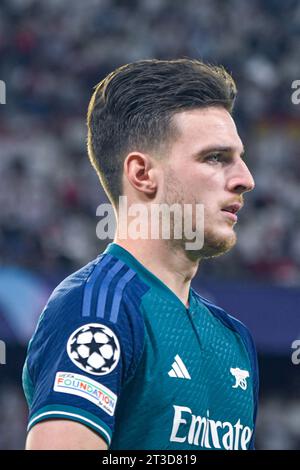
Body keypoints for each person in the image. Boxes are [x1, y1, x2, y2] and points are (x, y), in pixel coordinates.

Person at [23, 59, 258, 450]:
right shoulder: (97, 308)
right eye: (215, 157)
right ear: (143, 174)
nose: (245, 179)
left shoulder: (234, 338)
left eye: (239, 157)